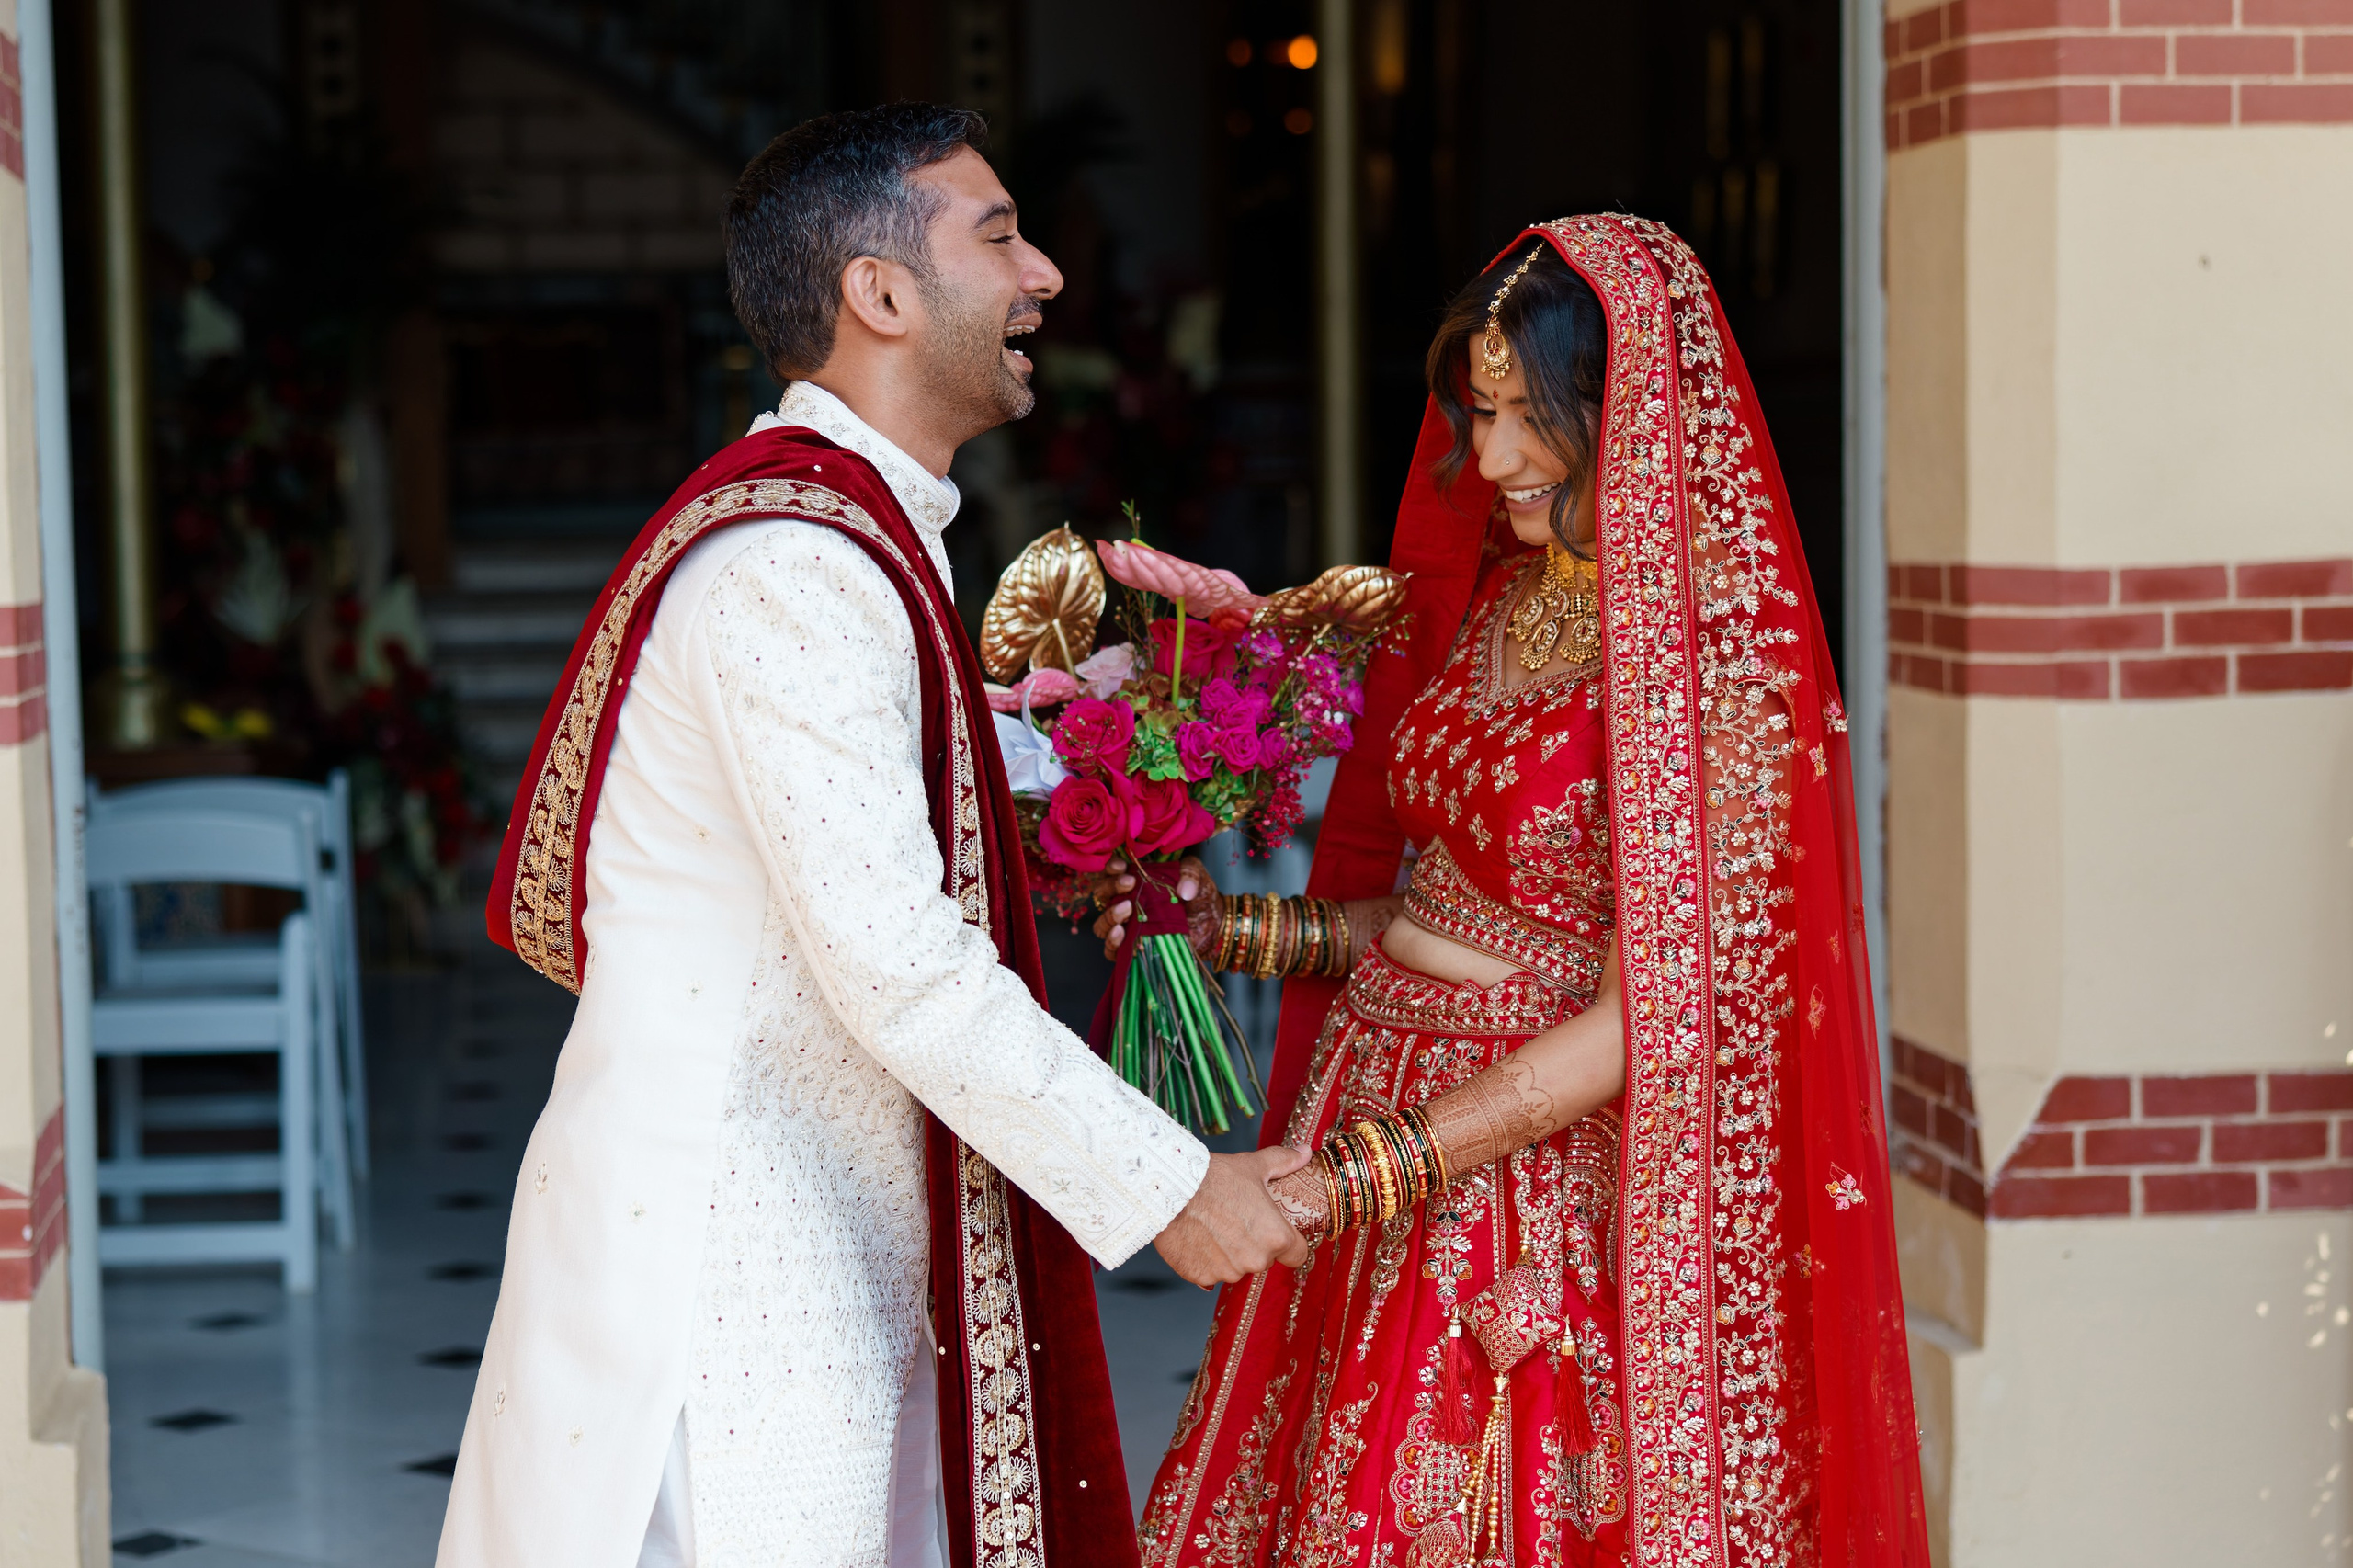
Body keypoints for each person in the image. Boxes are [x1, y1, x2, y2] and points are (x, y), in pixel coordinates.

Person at [438, 105, 1308, 1568]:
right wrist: (1172, 1184)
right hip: (733, 1265)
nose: (1044, 276)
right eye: (998, 237)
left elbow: (886, 814)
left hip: (810, 1224)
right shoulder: (797, 566)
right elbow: (898, 958)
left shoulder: (852, 536)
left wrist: (1103, 758)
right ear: (882, 296)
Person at [1104, 217, 1928, 1568]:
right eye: (1475, 416)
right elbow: (1437, 908)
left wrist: (1353, 1180)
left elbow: (1642, 1016)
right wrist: (1223, 926)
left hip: (1515, 1190)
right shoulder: (1503, 597)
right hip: (1369, 1126)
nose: (1484, 461)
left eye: (1519, 419)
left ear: (1629, 417)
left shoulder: (1710, 659)